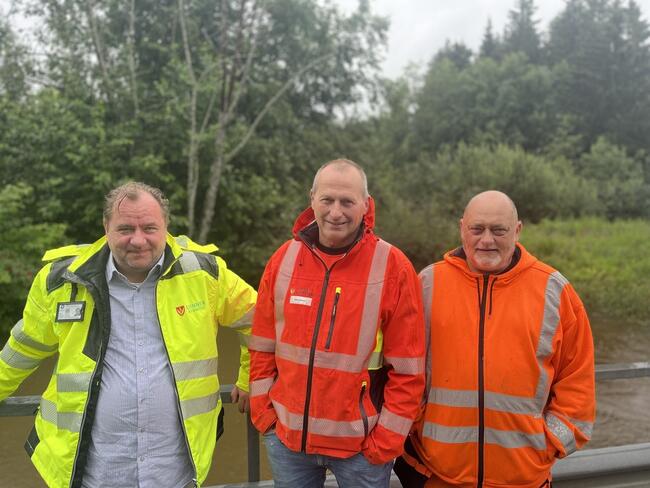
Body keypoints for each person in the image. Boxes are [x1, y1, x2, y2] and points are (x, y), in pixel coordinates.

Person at [0, 181, 256, 488]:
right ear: (106, 226)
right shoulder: (63, 281)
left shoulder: (204, 274)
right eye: (125, 229)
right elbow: (22, 349)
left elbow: (259, 321)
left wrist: (251, 376)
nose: (138, 240)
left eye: (149, 228)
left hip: (174, 471)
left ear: (166, 227)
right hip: (90, 473)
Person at [395, 190, 596, 488]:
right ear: (462, 227)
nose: (486, 240)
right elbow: (399, 367)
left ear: (517, 231)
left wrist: (548, 442)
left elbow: (578, 382)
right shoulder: (427, 284)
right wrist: (415, 425)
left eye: (498, 230)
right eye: (477, 229)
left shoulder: (554, 291)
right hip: (435, 475)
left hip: (524, 478)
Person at [248, 159, 425, 487]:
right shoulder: (284, 259)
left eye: (347, 202)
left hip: (362, 449)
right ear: (312, 198)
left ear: (366, 205)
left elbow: (409, 370)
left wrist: (385, 441)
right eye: (327, 200)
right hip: (288, 442)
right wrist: (265, 414)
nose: (336, 212)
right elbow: (262, 345)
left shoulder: (393, 267)